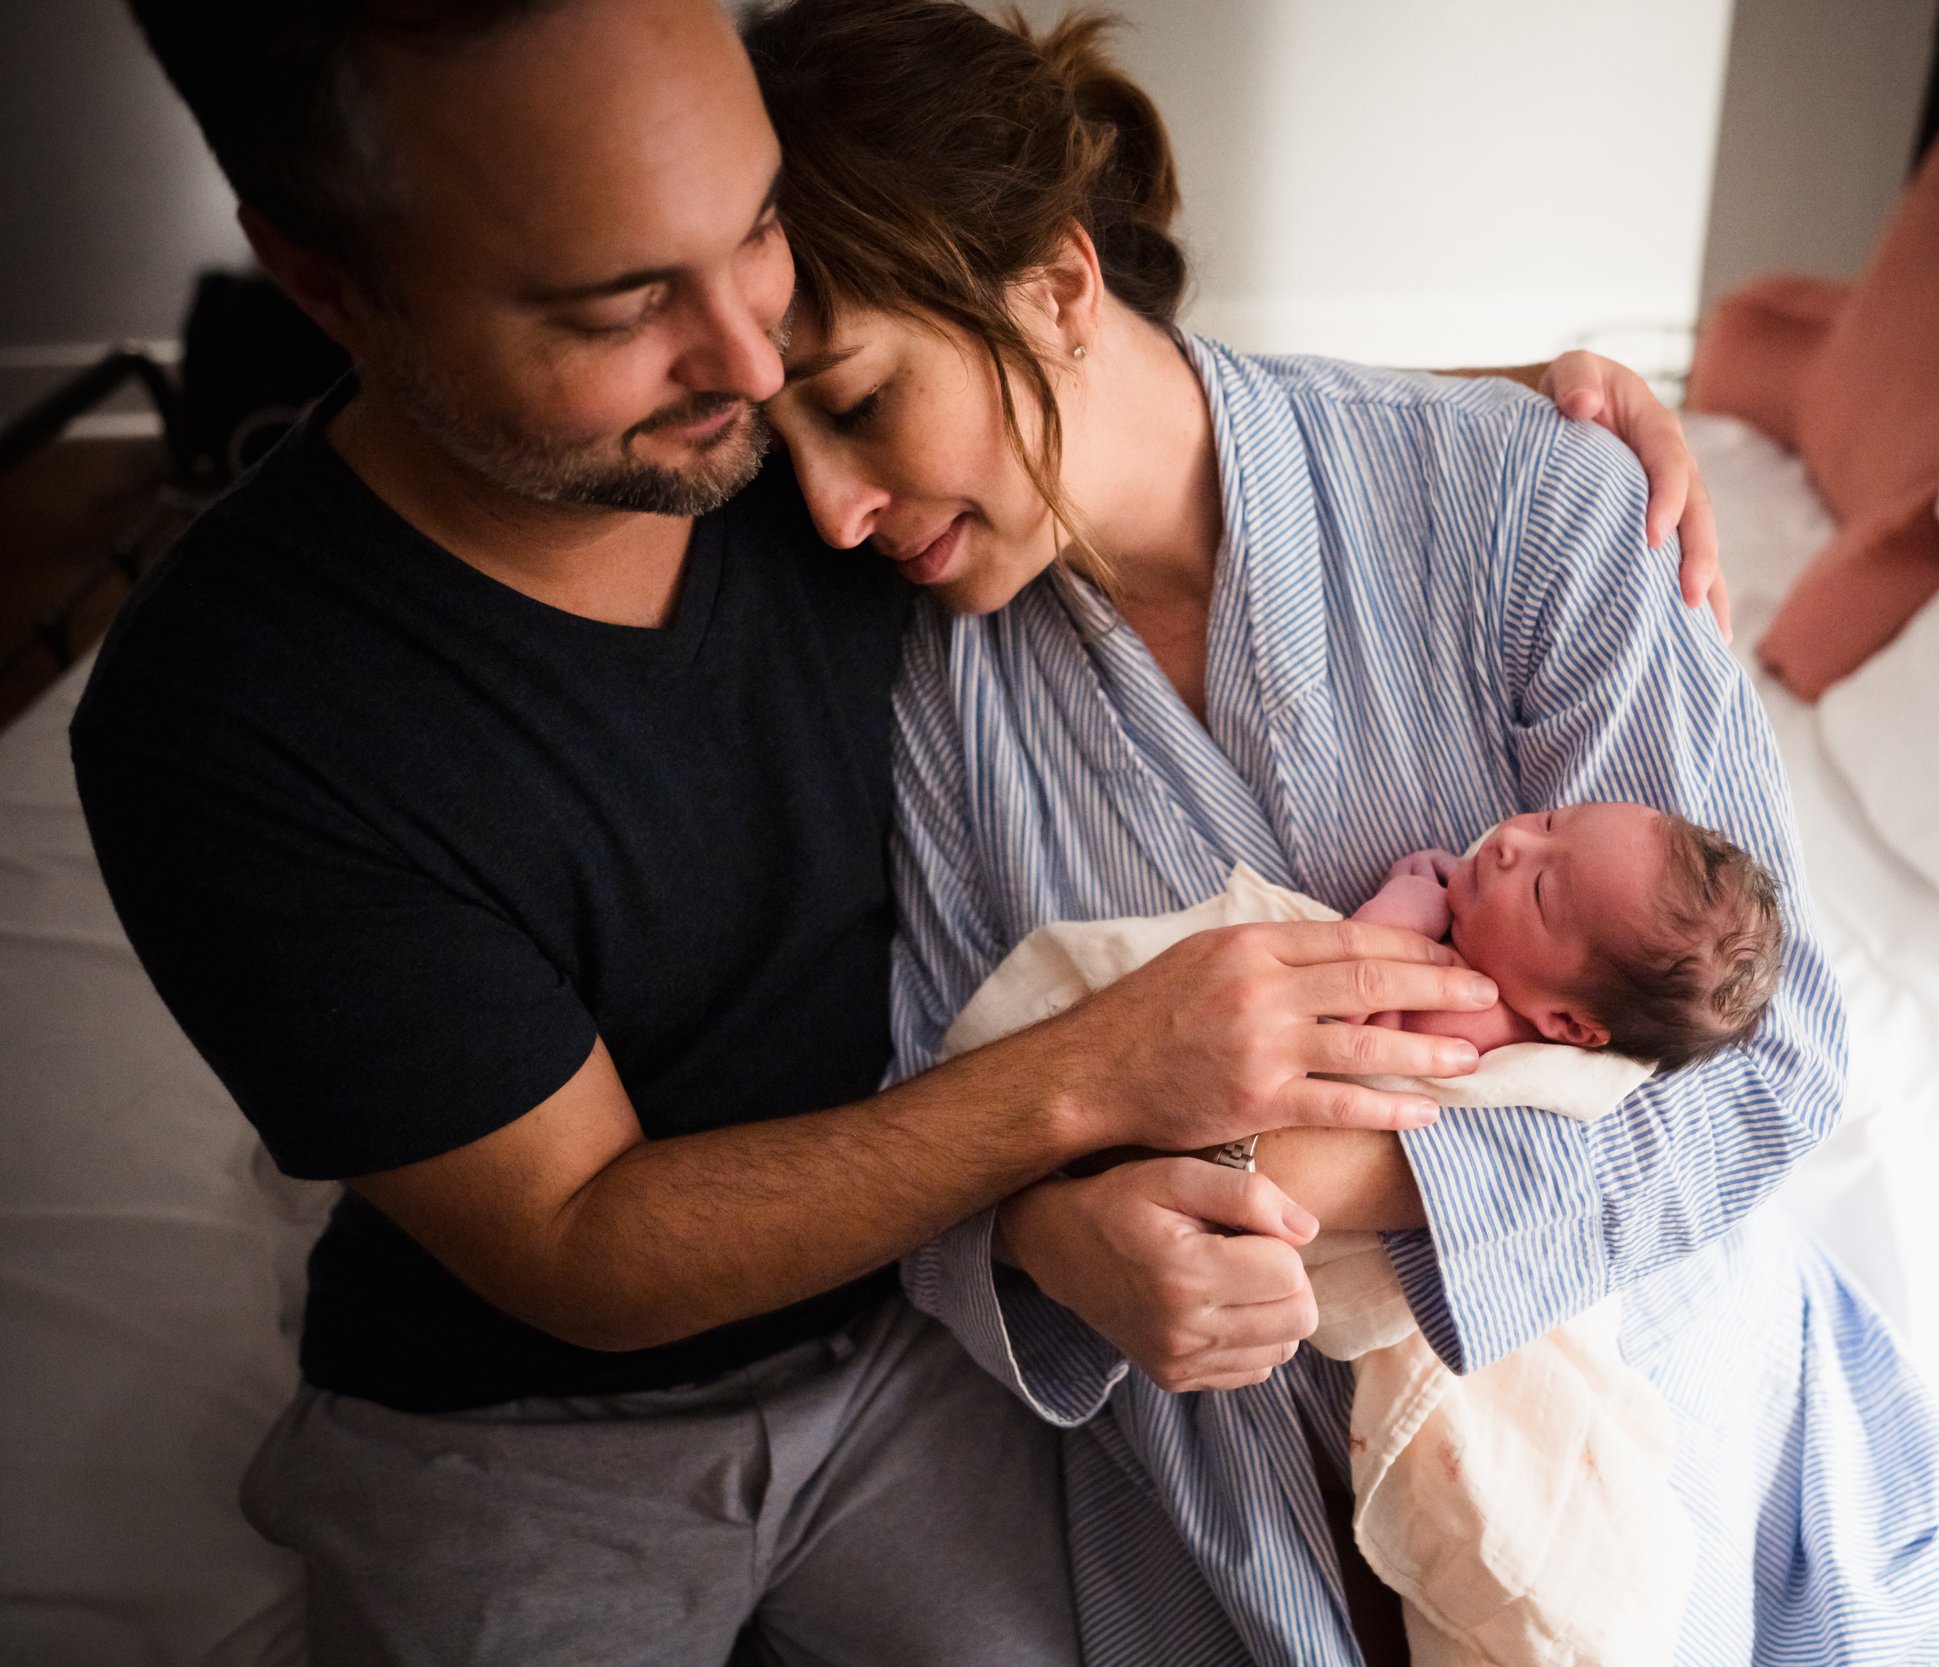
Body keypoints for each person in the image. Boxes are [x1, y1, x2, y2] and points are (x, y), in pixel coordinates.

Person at [80, 0, 1717, 1660]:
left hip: (920, 1364)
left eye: (755, 234)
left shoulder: (805, 480)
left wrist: (1514, 428)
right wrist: (1096, 1076)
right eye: (622, 302)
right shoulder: (233, 719)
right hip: (521, 1424)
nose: (742, 366)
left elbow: (1087, 397)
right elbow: (582, 1243)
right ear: (324, 280)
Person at [746, 2, 1939, 1663]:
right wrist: (1051, 1236)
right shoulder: (937, 682)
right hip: (1234, 1469)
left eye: (861, 404)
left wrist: (1323, 1182)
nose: (829, 506)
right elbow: (928, 1095)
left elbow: (1772, 1055)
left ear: (1061, 287)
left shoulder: (1536, 505)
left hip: (1621, 1406)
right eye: (779, 442)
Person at [1346, 803, 1784, 1063]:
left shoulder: (1473, 1020)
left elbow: (1342, 1012)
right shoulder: (1503, 964)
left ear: (1566, 1023)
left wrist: (1406, 905)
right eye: (1553, 821)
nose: (1513, 839)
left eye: (1541, 891)